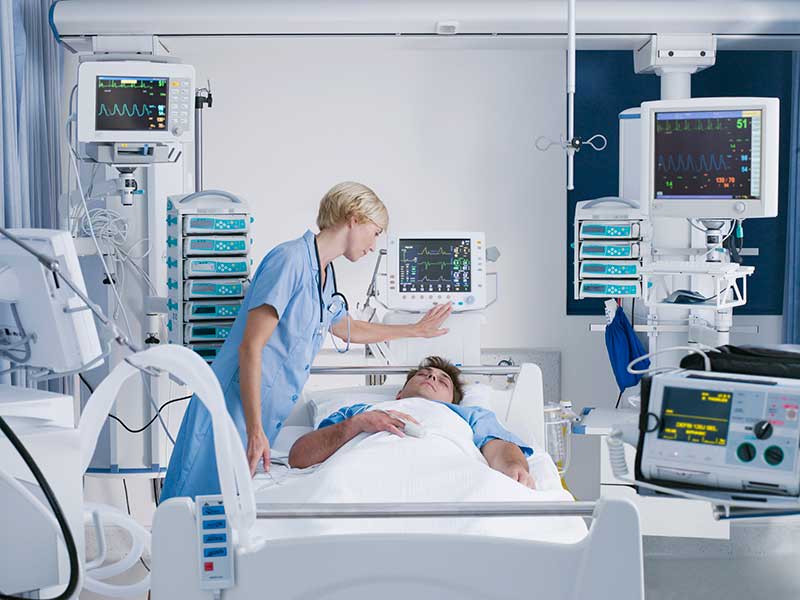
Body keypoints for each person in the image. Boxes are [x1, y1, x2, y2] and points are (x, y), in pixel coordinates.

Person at [161, 182, 452, 500]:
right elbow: (251, 347)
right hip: (231, 407)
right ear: (353, 218)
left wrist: (415, 330)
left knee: (225, 511)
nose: (374, 244)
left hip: (258, 413)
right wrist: (256, 429)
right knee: (193, 502)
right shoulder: (290, 260)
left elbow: (345, 328)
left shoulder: (323, 275)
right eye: (376, 231)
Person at [288, 356, 535, 488]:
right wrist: (357, 424)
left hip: (448, 475)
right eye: (424, 375)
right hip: (358, 477)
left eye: (442, 381)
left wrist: (513, 468)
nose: (432, 377)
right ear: (399, 393)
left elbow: (498, 447)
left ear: (453, 400)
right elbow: (299, 457)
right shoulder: (360, 411)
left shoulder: (468, 416)